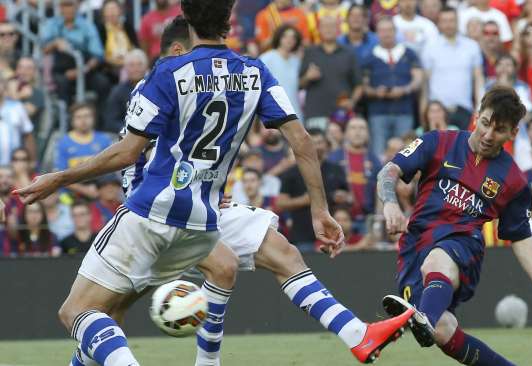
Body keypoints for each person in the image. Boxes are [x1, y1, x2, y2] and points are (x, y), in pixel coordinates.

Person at [14, 2, 411, 365]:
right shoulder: (255, 71)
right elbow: (302, 141)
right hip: (201, 219)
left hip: (154, 212)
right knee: (219, 267)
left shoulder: (166, 74)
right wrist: (319, 208)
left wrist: (60, 177)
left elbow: (126, 153)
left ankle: (352, 334)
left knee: (77, 312)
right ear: (230, 20)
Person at [376, 87, 532, 366]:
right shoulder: (438, 142)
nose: (488, 135)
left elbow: (520, 235)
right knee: (443, 331)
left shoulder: (513, 180)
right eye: (486, 123)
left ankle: (422, 318)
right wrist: (390, 203)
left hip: (463, 243)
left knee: (437, 262)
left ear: (513, 133)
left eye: (499, 130)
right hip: (415, 244)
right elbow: (389, 170)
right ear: (477, 116)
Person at [278, 129, 350, 251]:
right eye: (313, 142)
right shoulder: (292, 172)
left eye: (320, 142)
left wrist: (343, 197)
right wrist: (303, 200)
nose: (317, 146)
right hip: (302, 235)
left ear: (327, 145)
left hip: (332, 233)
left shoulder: (336, 170)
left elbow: (349, 197)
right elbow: (280, 203)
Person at [361, 17, 423, 157]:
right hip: (378, 112)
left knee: (405, 153)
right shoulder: (369, 57)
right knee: (379, 153)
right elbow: (363, 86)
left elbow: (418, 79)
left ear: (395, 32)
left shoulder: (409, 54)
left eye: (389, 30)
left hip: (404, 110)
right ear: (377, 33)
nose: (386, 34)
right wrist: (376, 92)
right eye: (382, 30)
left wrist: (404, 90)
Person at [421, 7, 484, 130]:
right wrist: (423, 111)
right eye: (444, 21)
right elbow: (425, 84)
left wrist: (479, 108)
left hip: (464, 109)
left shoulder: (472, 46)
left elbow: (478, 79)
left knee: (464, 148)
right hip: (438, 111)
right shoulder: (430, 47)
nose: (448, 24)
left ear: (457, 22)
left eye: (451, 20)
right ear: (439, 23)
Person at [41, 0, 110, 107]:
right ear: (59, 7)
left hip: (85, 68)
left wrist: (82, 70)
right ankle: (66, 119)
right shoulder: (52, 24)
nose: (67, 9)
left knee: (103, 83)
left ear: (77, 6)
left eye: (70, 5)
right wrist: (55, 43)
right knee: (62, 84)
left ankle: (102, 119)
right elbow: (43, 49)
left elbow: (98, 55)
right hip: (61, 70)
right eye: (64, 5)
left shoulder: (87, 26)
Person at [300, 16, 362, 130]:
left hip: (342, 114)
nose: (328, 30)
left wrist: (352, 102)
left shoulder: (349, 53)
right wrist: (308, 77)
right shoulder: (310, 52)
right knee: (316, 147)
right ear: (319, 30)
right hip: (316, 113)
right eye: (325, 26)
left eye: (332, 27)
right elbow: (299, 84)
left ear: (338, 30)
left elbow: (359, 85)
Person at [328, 117, 382, 227]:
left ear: (368, 134)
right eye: (353, 128)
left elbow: (380, 190)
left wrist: (378, 218)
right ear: (346, 133)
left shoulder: (375, 160)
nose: (358, 132)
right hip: (339, 219)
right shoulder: (333, 159)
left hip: (368, 219)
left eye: (362, 128)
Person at [259, 24, 303, 121]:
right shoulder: (266, 58)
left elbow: (295, 86)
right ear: (278, 37)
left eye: (293, 37)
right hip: (272, 114)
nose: (289, 40)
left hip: (295, 113)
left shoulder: (297, 61)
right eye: (285, 36)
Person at [0, 76, 36, 166]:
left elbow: (28, 135)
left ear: (4, 85)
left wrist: (32, 162)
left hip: (14, 166)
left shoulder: (17, 107)